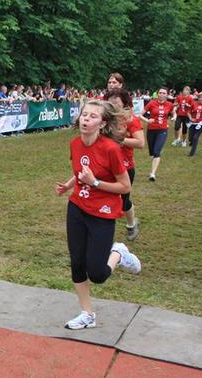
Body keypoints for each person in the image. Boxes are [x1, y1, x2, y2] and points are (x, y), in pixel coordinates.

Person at [55, 100, 141, 330]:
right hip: (77, 206)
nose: (86, 119)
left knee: (97, 274)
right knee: (77, 262)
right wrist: (68, 185)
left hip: (103, 212)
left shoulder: (111, 149)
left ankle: (119, 253)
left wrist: (95, 182)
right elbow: (81, 170)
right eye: (84, 114)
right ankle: (87, 314)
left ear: (102, 123)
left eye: (93, 116)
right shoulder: (75, 144)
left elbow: (125, 186)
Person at [106, 88, 144, 240]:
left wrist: (120, 140)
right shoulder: (105, 118)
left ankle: (131, 224)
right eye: (110, 103)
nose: (112, 106)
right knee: (104, 198)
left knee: (123, 201)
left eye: (116, 102)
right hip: (106, 165)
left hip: (125, 167)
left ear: (124, 103)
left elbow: (140, 143)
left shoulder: (131, 120)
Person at [142, 87, 175, 182]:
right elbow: (140, 115)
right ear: (157, 94)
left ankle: (152, 173)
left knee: (157, 152)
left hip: (162, 130)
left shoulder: (169, 105)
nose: (161, 94)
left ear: (167, 95)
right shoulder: (151, 103)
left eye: (164, 93)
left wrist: (174, 117)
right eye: (160, 93)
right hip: (151, 130)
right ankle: (154, 160)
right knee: (152, 153)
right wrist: (147, 120)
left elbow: (174, 113)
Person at [187, 91, 202, 157]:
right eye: (200, 97)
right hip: (193, 123)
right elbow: (188, 112)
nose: (201, 98)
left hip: (201, 124)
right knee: (190, 138)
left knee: (195, 137)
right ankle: (191, 142)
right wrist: (190, 118)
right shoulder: (194, 104)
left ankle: (192, 153)